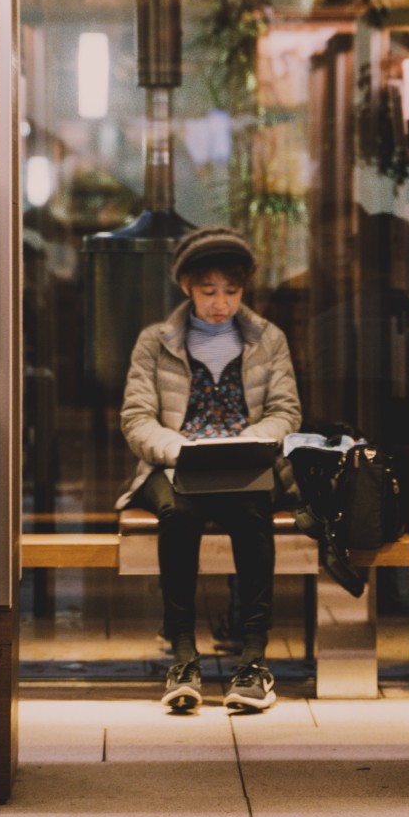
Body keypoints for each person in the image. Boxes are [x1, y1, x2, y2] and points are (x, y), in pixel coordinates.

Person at [116, 226, 300, 713]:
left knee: (253, 511)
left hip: (244, 462)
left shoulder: (268, 339)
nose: (221, 303)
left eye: (232, 291)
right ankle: (182, 656)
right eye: (208, 291)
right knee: (178, 514)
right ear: (186, 288)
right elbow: (136, 418)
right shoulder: (156, 342)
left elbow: (286, 412)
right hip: (174, 461)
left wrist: (253, 442)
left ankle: (255, 659)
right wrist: (177, 450)